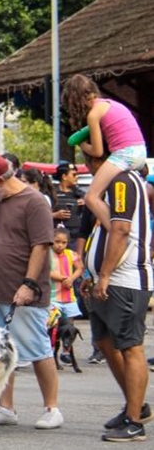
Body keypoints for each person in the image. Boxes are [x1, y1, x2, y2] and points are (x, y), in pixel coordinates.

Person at [0, 153, 63, 430]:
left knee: (38, 348)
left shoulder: (34, 202)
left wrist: (29, 284)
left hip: (23, 292)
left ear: (1, 180)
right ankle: (5, 407)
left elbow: (41, 246)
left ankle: (52, 408)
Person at [80, 148, 152, 442]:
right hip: (107, 279)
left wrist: (105, 274)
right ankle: (135, 407)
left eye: (87, 157)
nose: (85, 163)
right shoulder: (112, 182)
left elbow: (120, 230)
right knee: (104, 342)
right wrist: (93, 273)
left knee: (130, 347)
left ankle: (135, 422)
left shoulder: (120, 180)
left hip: (124, 280)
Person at [62, 74, 146, 231]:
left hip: (124, 154)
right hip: (140, 151)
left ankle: (116, 232)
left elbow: (98, 151)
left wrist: (82, 144)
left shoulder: (93, 115)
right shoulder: (111, 104)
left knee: (91, 197)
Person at [50, 228, 83, 323]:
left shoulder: (70, 254)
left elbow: (79, 268)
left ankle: (68, 337)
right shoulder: (47, 254)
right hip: (52, 298)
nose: (60, 245)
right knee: (52, 322)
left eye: (64, 242)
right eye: (57, 242)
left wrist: (71, 279)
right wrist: (63, 278)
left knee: (69, 323)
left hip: (69, 297)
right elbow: (46, 271)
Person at [53, 162, 86, 253]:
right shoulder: (52, 193)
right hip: (56, 238)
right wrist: (55, 215)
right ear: (64, 176)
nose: (77, 177)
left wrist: (85, 205)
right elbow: (41, 214)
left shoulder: (80, 194)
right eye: (74, 175)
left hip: (74, 238)